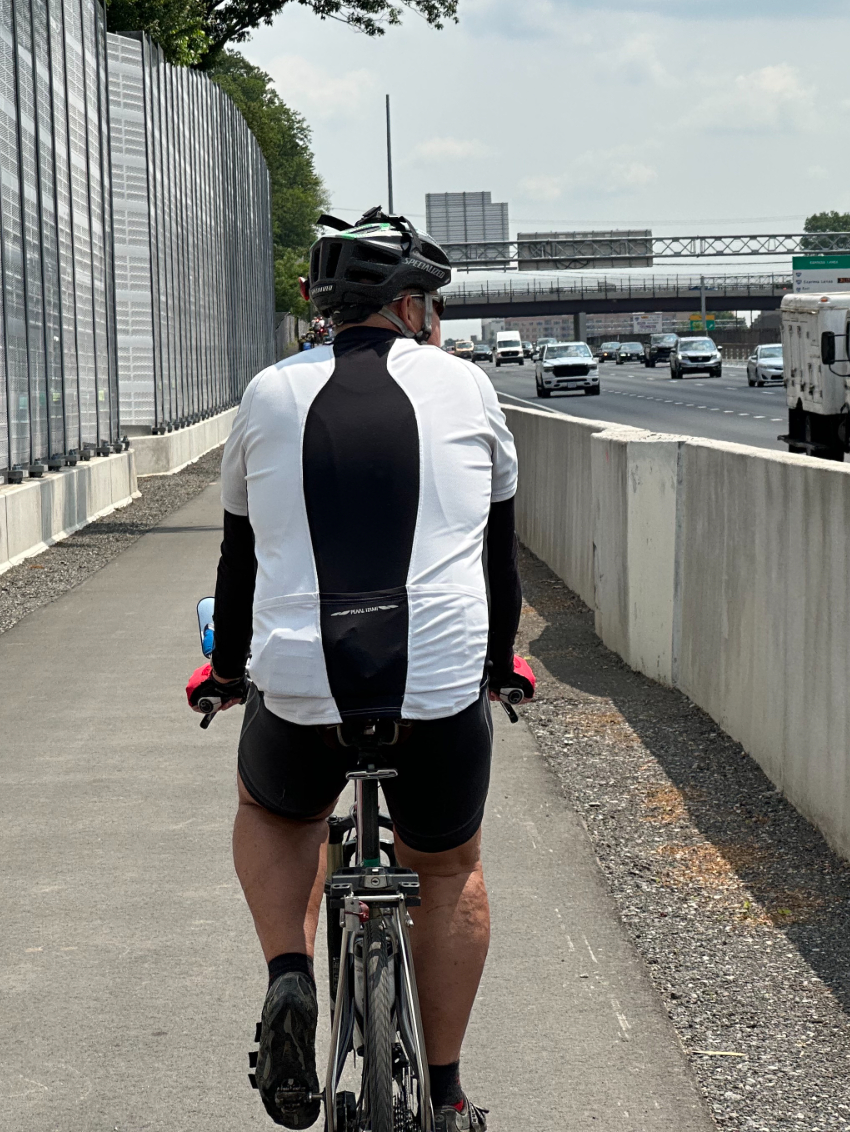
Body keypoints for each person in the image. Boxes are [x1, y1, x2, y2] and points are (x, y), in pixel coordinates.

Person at [188, 207, 523, 1132]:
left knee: (273, 809)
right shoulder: (470, 391)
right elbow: (499, 562)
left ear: (326, 306)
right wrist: (500, 666)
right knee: (449, 866)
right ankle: (448, 1096)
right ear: (411, 306)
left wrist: (224, 671)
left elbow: (239, 565)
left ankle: (292, 978)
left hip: (300, 683)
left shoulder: (266, 396)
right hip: (439, 684)